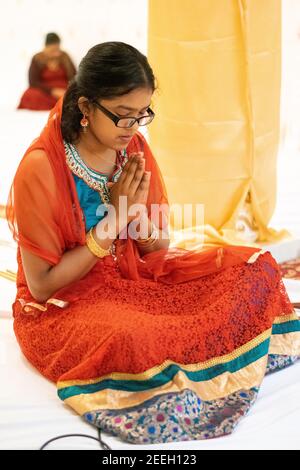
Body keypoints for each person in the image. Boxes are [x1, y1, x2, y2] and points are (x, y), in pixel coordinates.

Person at [7, 42, 300, 446]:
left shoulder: (132, 149)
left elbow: (157, 249)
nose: (133, 129)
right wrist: (114, 221)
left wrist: (137, 216)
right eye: (123, 117)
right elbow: (42, 286)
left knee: (256, 267)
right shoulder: (41, 168)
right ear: (86, 108)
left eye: (141, 115)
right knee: (133, 337)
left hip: (133, 283)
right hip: (64, 305)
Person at [17, 32, 76, 111]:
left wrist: (67, 90)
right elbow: (33, 82)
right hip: (45, 91)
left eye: (57, 48)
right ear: (46, 47)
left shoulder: (65, 57)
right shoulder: (38, 58)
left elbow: (74, 76)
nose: (55, 52)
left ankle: (63, 102)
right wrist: (52, 91)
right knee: (30, 94)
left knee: (73, 95)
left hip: (63, 89)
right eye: (52, 49)